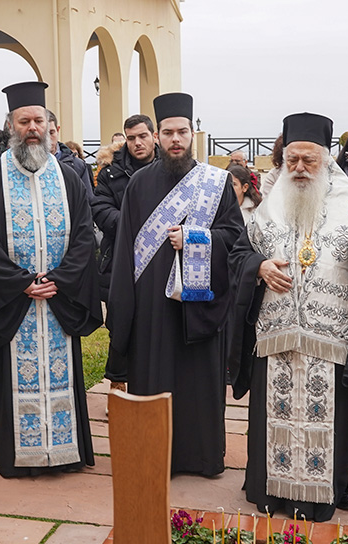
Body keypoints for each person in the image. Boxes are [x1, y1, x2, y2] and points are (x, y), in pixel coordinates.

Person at [229, 112, 348, 521]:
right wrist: (260, 268)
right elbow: (238, 254)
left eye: (309, 160)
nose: (301, 169)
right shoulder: (267, 207)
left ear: (325, 160)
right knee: (273, 415)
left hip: (331, 340)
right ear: (284, 160)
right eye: (293, 161)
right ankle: (269, 490)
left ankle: (325, 492)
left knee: (329, 420)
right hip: (276, 335)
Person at [0, 81, 103, 479]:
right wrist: (21, 283)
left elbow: (83, 234)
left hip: (57, 300)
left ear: (48, 125)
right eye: (24, 120)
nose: (32, 128)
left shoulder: (69, 178)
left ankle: (64, 451)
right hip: (14, 303)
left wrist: (59, 280)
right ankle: (13, 454)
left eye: (38, 120)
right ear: (11, 125)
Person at [106, 92, 244, 476]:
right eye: (167, 133)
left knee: (199, 387)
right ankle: (155, 455)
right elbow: (123, 255)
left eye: (182, 131)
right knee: (153, 380)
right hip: (152, 308)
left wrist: (197, 238)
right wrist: (124, 311)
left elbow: (235, 238)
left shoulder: (216, 183)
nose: (175, 139)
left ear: (192, 134)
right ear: (156, 136)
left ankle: (201, 458)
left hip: (199, 308)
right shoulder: (137, 185)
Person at [92, 113, 159, 391]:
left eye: (143, 136)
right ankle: (118, 384)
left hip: (161, 259)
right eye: (131, 138)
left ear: (154, 136)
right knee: (121, 322)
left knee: (157, 322)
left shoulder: (171, 168)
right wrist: (134, 225)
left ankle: (157, 381)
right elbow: (100, 209)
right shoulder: (110, 172)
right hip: (121, 259)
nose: (137, 143)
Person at [47, 110, 95, 200]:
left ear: (58, 130)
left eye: (51, 133)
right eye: (44, 134)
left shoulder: (78, 165)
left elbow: (88, 200)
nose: (48, 138)